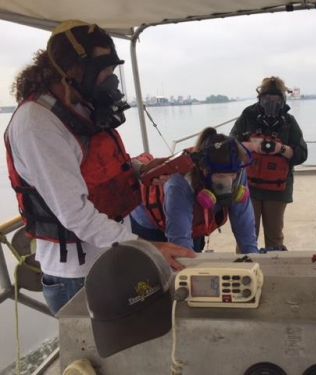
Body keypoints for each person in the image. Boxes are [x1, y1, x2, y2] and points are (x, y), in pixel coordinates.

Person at [4, 20, 194, 315]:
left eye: (111, 69)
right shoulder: (37, 124)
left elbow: (93, 168)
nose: (110, 79)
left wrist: (139, 170)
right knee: (97, 360)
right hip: (78, 276)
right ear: (72, 70)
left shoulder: (81, 107)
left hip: (113, 256)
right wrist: (147, 248)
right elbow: (75, 213)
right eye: (102, 69)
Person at [130, 127, 259, 253]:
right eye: (221, 177)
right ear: (205, 171)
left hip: (192, 220)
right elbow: (180, 246)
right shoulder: (180, 182)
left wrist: (253, 258)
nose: (228, 184)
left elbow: (244, 223)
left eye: (232, 176)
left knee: (196, 248)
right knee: (160, 265)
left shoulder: (237, 169)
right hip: (149, 221)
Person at [230, 76, 308, 251]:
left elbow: (302, 153)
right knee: (247, 235)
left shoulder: (289, 122)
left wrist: (280, 149)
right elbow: (230, 144)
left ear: (283, 100)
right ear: (260, 98)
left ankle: (274, 269)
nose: (271, 103)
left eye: (276, 99)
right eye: (267, 99)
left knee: (274, 236)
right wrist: (252, 146)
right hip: (249, 187)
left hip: (278, 188)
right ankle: (245, 269)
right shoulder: (247, 116)